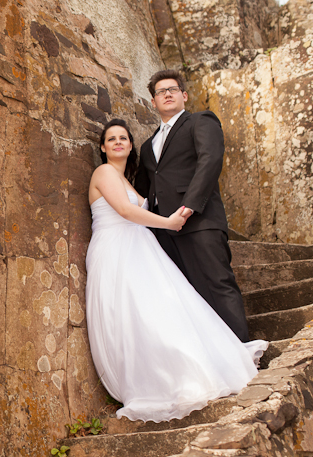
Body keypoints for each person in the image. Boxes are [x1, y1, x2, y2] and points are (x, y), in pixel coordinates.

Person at [86, 119, 267, 422]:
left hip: (140, 248)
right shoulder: (103, 172)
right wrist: (170, 222)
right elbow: (126, 211)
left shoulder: (128, 180)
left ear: (131, 146)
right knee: (138, 315)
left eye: (123, 138)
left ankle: (192, 369)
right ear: (103, 147)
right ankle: (158, 379)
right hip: (116, 249)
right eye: (111, 139)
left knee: (167, 309)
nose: (118, 142)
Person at [135, 69, 251, 342]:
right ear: (153, 101)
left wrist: (188, 207)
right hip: (165, 231)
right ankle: (216, 356)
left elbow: (210, 161)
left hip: (200, 221)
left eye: (172, 90)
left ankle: (244, 352)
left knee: (218, 284)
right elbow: (144, 189)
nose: (166, 94)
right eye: (160, 92)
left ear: (183, 96)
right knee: (188, 295)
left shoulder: (201, 121)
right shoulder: (147, 145)